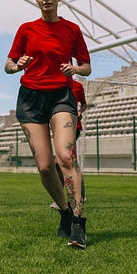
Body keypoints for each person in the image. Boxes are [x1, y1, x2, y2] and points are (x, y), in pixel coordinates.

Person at [4, 0, 91, 249]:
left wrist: (75, 71)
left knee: (65, 156)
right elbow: (7, 65)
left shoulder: (72, 29)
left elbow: (87, 66)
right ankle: (64, 212)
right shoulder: (26, 29)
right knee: (44, 166)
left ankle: (78, 223)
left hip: (61, 96)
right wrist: (17, 65)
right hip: (30, 99)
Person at [50, 79, 87, 210]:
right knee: (59, 163)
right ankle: (59, 198)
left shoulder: (77, 86)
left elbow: (84, 104)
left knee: (67, 160)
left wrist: (79, 112)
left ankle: (79, 196)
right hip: (59, 127)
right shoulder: (55, 84)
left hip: (74, 127)